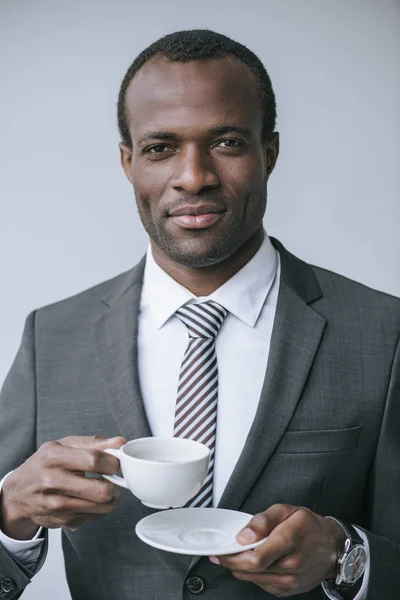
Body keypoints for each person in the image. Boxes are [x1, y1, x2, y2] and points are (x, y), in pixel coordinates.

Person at [0, 29, 399, 600]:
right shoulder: (52, 337)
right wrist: (11, 514)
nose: (194, 176)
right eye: (161, 147)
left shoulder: (384, 335)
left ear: (270, 153)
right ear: (128, 162)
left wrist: (345, 556)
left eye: (227, 142)